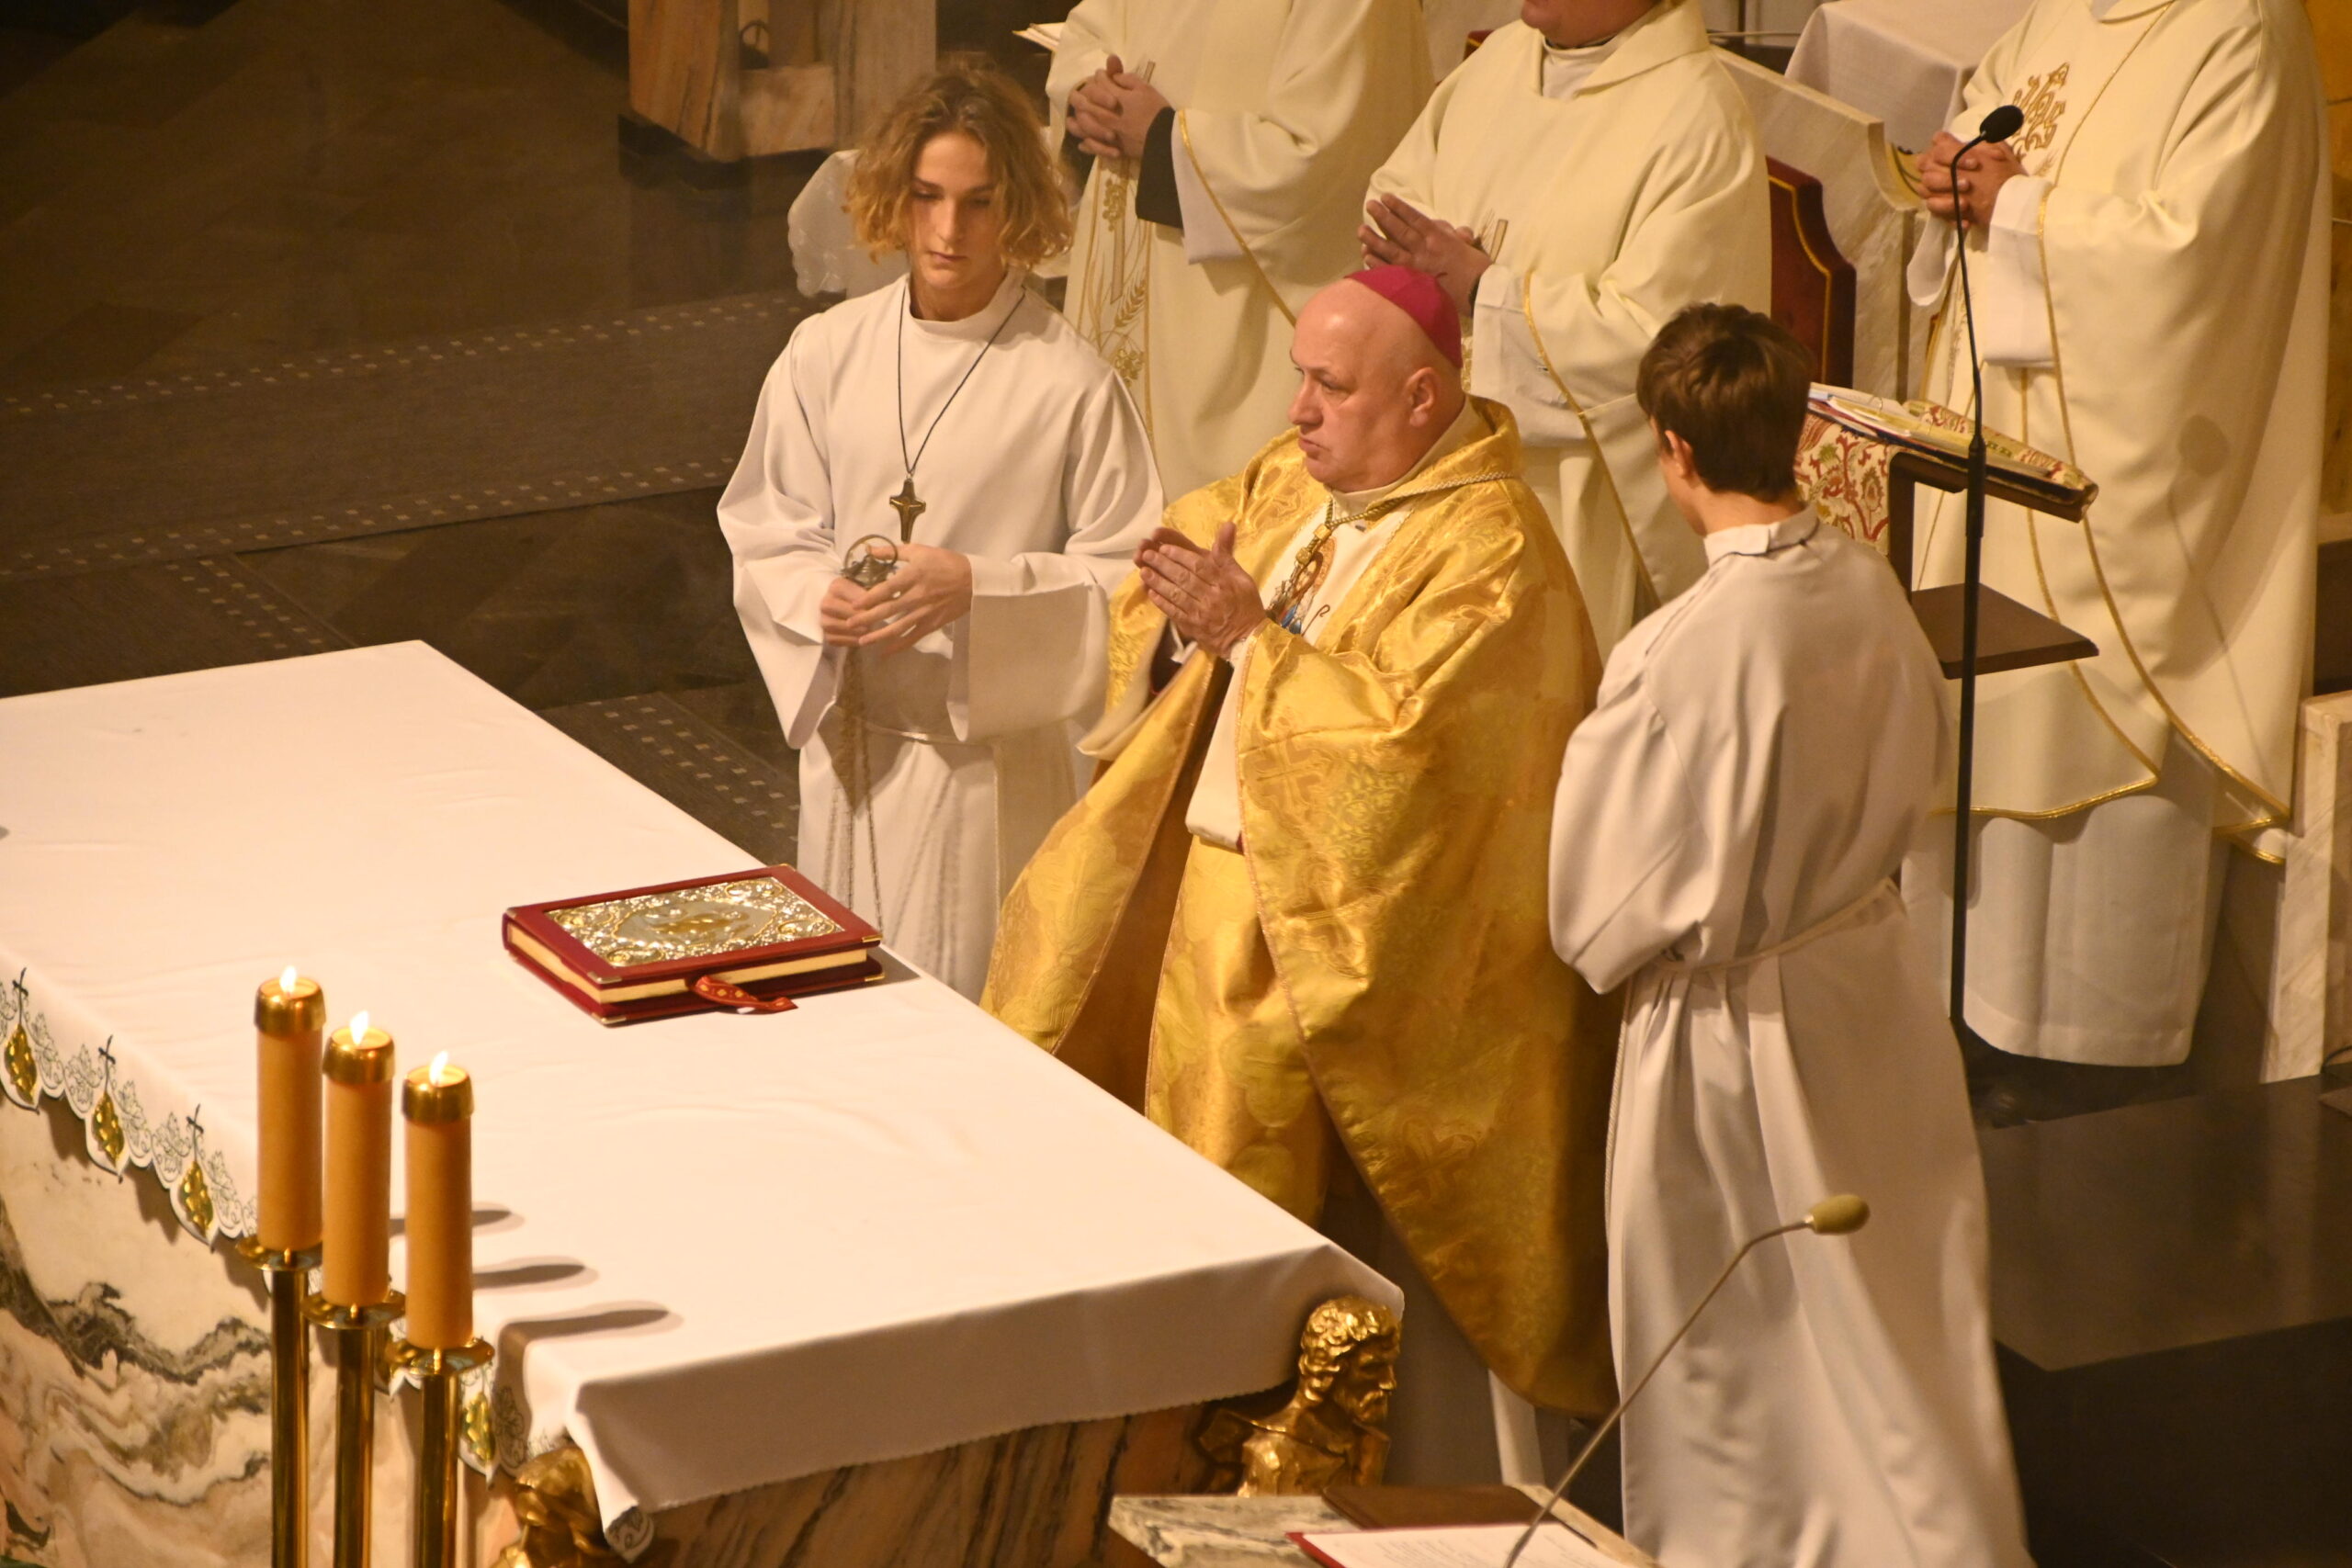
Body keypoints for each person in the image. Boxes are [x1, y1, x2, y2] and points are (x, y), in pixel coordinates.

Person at [985, 267, 1620, 1472]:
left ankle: (1289, 1473)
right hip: (1213, 904)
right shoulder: (1295, 477)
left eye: (1331, 385)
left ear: (1422, 396)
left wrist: (1251, 640)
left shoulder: (1494, 551)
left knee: (1259, 1234)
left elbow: (1414, 757)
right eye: (1299, 378)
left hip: (1341, 951)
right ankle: (1168, 1450)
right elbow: (1181, 559)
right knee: (1173, 1199)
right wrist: (1178, 611)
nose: (1300, 409)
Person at [1549, 305, 2030, 1568]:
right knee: (1904, 1315)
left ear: (1674, 449)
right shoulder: (1869, 586)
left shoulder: (1678, 653)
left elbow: (1592, 909)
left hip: (1736, 1030)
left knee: (1744, 1349)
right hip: (1874, 989)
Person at [1904, 0, 2327, 1105]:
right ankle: (1959, 1037)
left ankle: (2083, 1081)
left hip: (2126, 495)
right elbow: (1980, 138)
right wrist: (1951, 184)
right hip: (1998, 448)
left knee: (2080, 751)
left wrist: (2018, 211)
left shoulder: (2239, 32)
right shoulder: (2053, 17)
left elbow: (2203, 262)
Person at [718, 61, 1161, 1000]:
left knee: (959, 1007)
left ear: (1019, 208)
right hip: (853, 748)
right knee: (838, 998)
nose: (948, 231)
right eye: (926, 197)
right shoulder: (828, 351)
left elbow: (1129, 579)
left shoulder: (1068, 383)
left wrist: (979, 590)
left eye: (978, 202)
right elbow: (767, 522)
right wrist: (815, 599)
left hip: (983, 773)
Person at [1362, 0, 1770, 657]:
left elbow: (1670, 350)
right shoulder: (1501, 58)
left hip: (1572, 509)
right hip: (1432, 469)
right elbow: (1395, 193)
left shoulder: (1698, 117)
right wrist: (1415, 256)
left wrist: (1484, 293)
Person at [1048, 0, 1431, 499]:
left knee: (1221, 521)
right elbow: (1088, 27)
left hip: (1236, 325)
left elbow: (1329, 160)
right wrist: (1087, 89)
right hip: (1130, 286)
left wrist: (1164, 139)